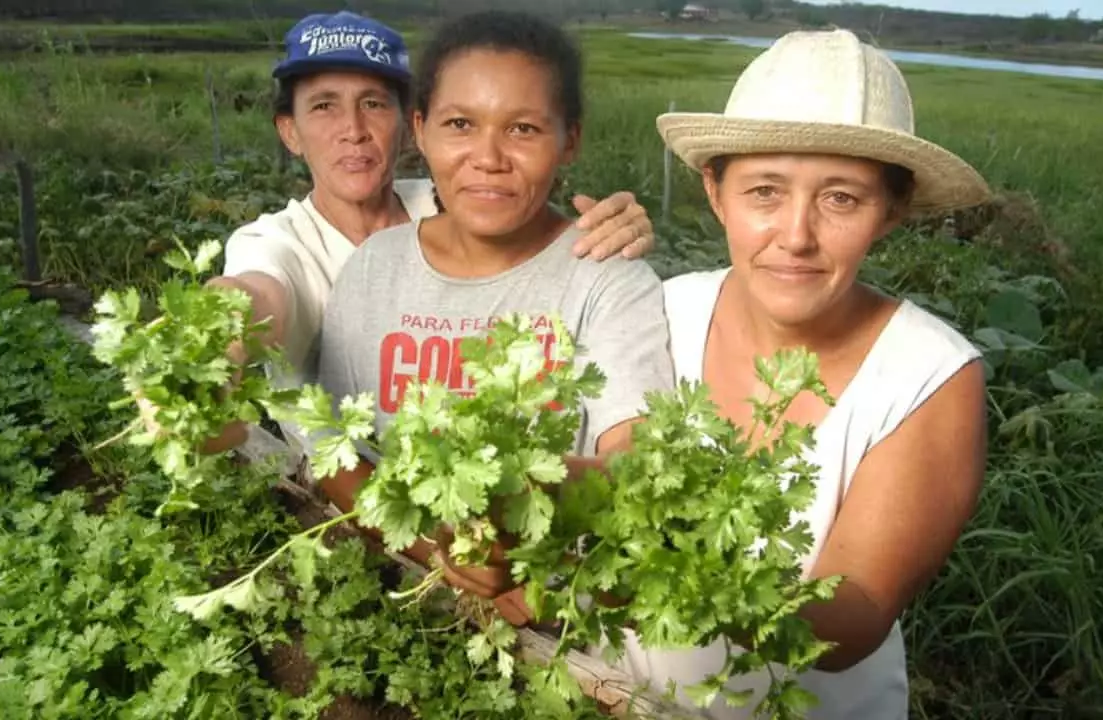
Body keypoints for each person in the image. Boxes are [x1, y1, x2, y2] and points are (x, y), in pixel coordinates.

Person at [611, 28, 993, 720]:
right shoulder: (657, 310)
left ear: (891, 209)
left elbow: (854, 616)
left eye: (841, 199)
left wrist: (622, 575)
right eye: (763, 191)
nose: (795, 235)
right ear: (715, 189)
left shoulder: (930, 374)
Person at [313, 10, 675, 607]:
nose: (488, 157)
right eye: (460, 123)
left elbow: (633, 460)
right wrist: (437, 551)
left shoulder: (608, 279)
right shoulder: (374, 266)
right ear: (421, 129)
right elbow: (334, 454)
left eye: (524, 129)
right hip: (400, 592)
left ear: (570, 140)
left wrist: (523, 512)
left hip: (547, 616)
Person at [189, 11, 657, 456]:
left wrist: (618, 224)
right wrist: (210, 334)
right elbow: (256, 294)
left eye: (373, 104)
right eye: (324, 106)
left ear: (407, 125)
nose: (353, 130)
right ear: (290, 132)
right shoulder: (279, 242)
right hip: (345, 493)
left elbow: (519, 201)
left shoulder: (450, 200)